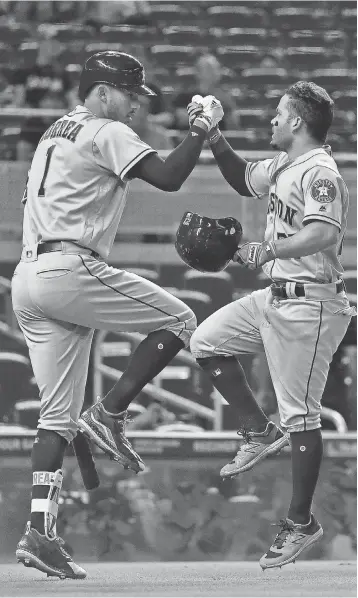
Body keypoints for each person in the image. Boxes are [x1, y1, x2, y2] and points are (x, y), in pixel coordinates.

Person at [11, 50, 223, 579]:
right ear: (102, 92)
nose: (135, 105)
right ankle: (108, 414)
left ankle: (40, 534)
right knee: (179, 318)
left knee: (55, 420)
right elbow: (170, 177)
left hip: (28, 276)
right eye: (129, 94)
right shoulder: (104, 127)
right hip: (69, 268)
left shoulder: (53, 132)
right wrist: (200, 130)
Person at [187, 81, 355, 569]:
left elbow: (324, 231)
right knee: (206, 340)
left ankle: (302, 522)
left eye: (280, 113)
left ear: (299, 122)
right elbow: (243, 179)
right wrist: (215, 136)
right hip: (274, 297)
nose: (273, 119)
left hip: (311, 306)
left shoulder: (320, 170)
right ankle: (257, 431)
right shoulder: (284, 163)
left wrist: (271, 249)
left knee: (301, 416)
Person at [172, 53, 239, 132]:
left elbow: (233, 126)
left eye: (216, 68)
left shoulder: (225, 99)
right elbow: (180, 119)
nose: (214, 72)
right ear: (198, 73)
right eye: (209, 68)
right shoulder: (184, 97)